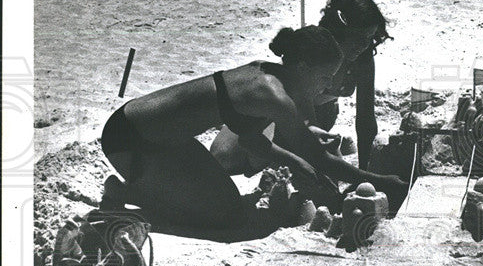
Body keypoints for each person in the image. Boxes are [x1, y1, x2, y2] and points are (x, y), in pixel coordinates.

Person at [100, 25, 407, 239]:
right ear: (302, 67)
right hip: (130, 137)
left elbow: (251, 140)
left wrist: (299, 163)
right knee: (224, 216)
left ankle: (144, 185)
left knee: (228, 203)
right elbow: (318, 157)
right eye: (324, 77)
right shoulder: (273, 96)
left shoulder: (267, 70)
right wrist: (379, 181)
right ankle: (131, 191)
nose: (328, 86)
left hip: (165, 137)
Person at [211, 0, 389, 175]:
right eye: (359, 38)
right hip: (278, 111)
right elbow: (306, 122)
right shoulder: (316, 49)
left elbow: (365, 119)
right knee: (224, 158)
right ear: (343, 30)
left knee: (308, 158)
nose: (364, 45)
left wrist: (365, 170)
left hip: (323, 115)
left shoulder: (363, 58)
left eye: (369, 38)